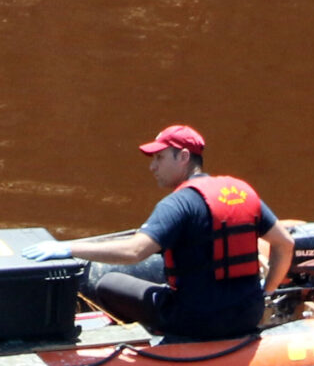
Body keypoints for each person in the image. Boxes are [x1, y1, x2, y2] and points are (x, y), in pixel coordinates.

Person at [24, 125, 294, 340]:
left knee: (108, 284)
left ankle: (155, 342)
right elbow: (285, 243)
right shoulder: (241, 192)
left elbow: (135, 251)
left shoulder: (178, 203)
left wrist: (69, 248)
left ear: (184, 157)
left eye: (160, 158)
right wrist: (266, 291)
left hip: (195, 321)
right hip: (247, 314)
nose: (152, 166)